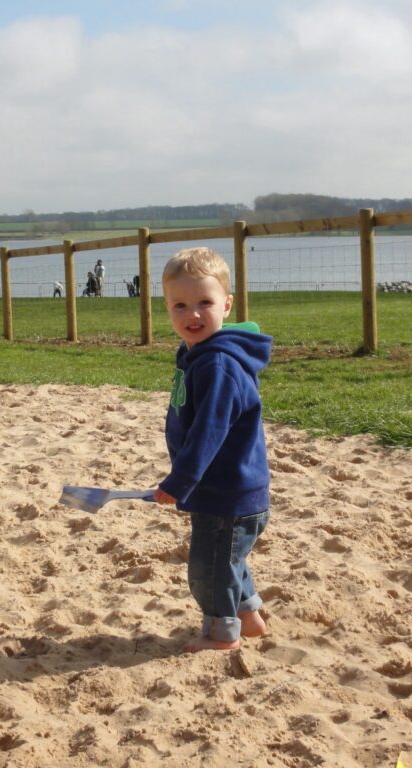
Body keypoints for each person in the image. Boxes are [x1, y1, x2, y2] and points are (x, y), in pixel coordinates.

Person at [153, 247, 271, 653]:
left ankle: (222, 637)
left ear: (227, 303)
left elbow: (210, 432)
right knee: (229, 557)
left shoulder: (218, 365)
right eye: (180, 305)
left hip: (228, 491)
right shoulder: (196, 356)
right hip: (222, 489)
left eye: (205, 302)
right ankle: (250, 617)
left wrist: (180, 482)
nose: (193, 315)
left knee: (209, 569)